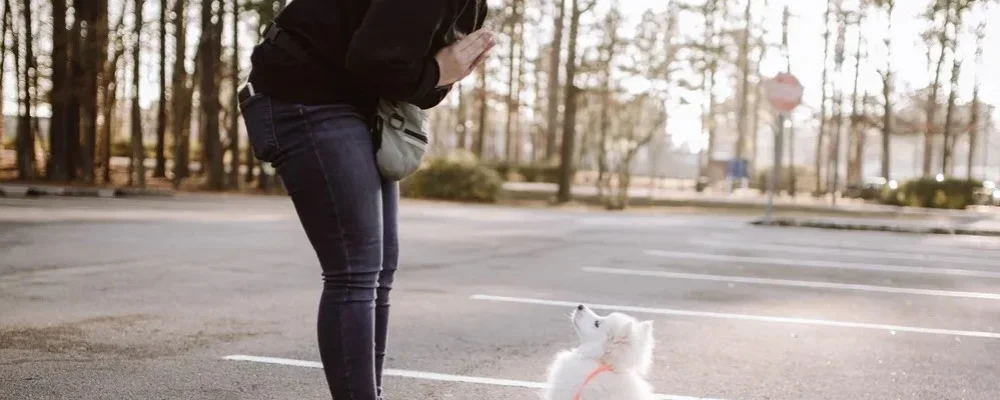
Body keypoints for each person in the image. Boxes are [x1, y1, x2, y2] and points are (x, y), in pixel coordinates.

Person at [237, 1, 494, 399]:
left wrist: (445, 74)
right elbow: (374, 60)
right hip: (302, 94)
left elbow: (411, 83)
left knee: (379, 269)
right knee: (355, 270)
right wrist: (439, 72)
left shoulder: (473, 7)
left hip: (357, 106)